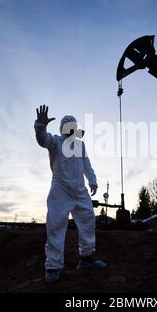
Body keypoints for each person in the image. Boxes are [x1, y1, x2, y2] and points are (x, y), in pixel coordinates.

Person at [34, 105, 106, 282]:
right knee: (56, 224)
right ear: (62, 129)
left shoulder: (80, 145)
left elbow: (87, 164)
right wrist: (40, 126)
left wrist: (93, 180)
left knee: (88, 220)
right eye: (67, 126)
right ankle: (53, 266)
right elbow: (43, 140)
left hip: (80, 191)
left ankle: (86, 258)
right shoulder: (55, 141)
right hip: (60, 189)